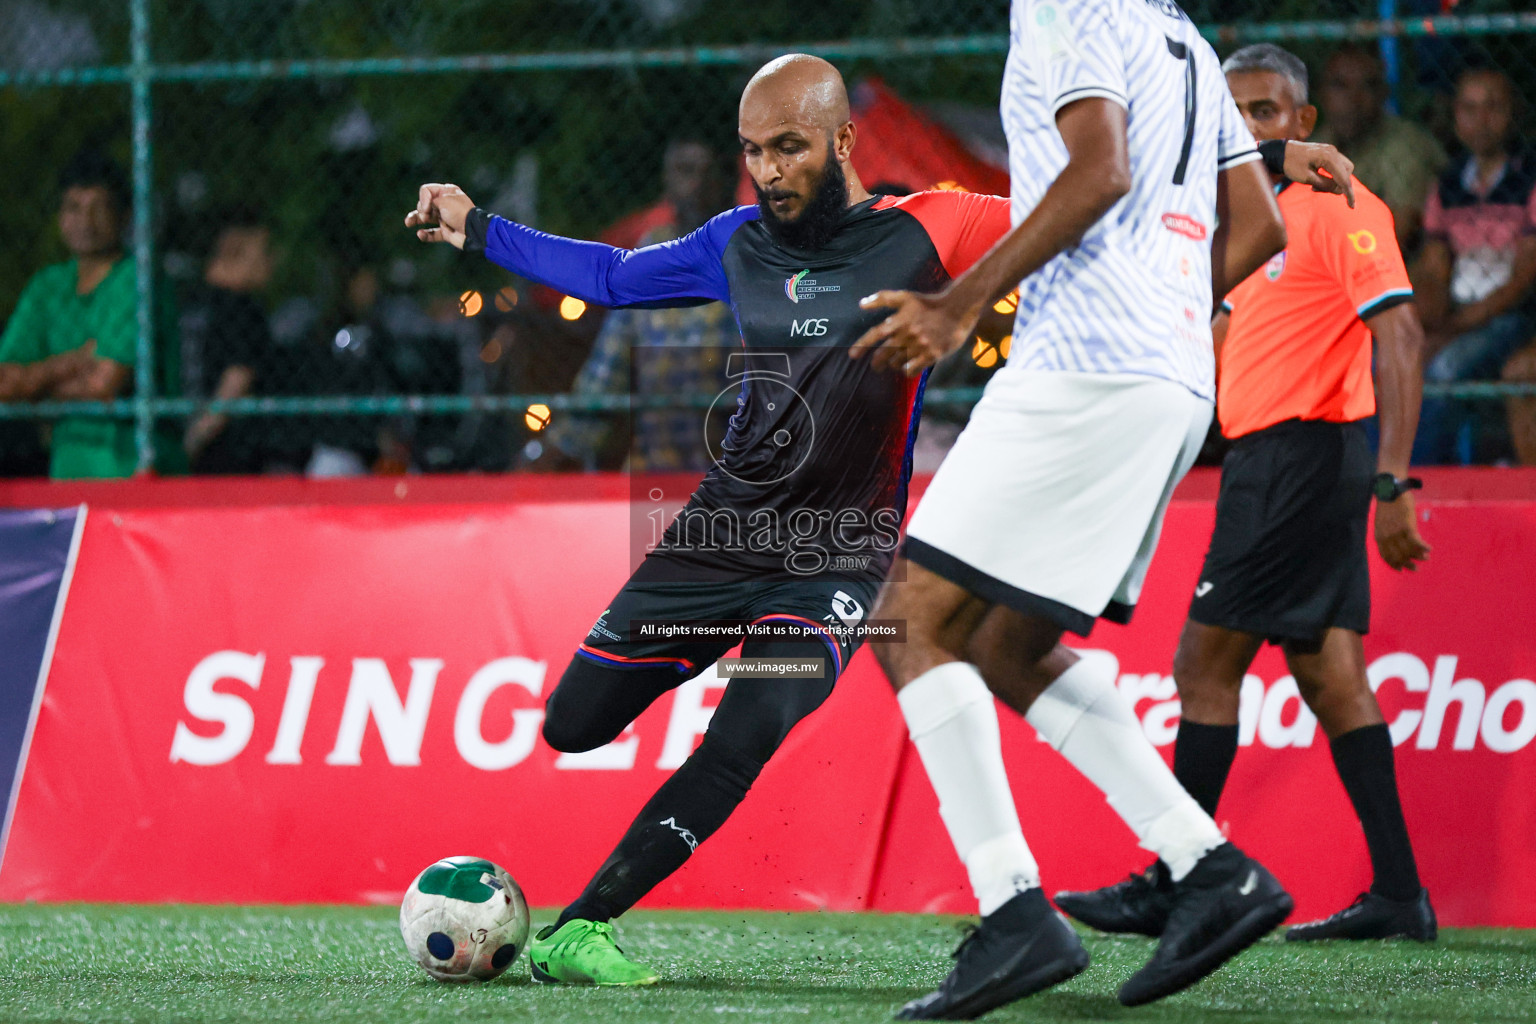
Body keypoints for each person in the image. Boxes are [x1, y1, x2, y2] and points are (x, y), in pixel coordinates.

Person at [407, 54, 1019, 988]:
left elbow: (1080, 214)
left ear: (843, 141)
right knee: (572, 723)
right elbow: (610, 275)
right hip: (715, 544)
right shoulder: (736, 241)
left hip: (833, 564)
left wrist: (1250, 168)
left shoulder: (935, 225)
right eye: (753, 152)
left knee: (748, 728)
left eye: (788, 148)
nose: (768, 171)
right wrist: (478, 227)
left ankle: (584, 929)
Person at [849, 2, 1355, 1017]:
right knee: (1006, 644)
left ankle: (1013, 914)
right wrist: (1165, 304)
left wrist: (959, 306)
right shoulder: (1185, 38)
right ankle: (1210, 870)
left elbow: (1099, 169)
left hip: (1083, 367)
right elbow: (1253, 223)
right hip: (1171, 374)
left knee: (909, 616)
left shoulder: (1063, 5)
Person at [1054, 43, 1436, 949]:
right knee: (1331, 675)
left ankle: (1182, 879)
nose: (1252, 128)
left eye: (1268, 112)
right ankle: (1399, 893)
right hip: (1271, 457)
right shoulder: (1241, 218)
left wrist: (1394, 481)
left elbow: (1405, 334)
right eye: (1237, 113)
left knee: (1203, 666)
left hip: (1306, 457)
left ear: (1303, 124)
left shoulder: (1339, 203)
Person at [537, 139, 739, 472]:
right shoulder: (651, 250)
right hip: (659, 464)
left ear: (728, 181)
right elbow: (606, 369)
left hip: (737, 466)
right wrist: (555, 449)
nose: (697, 185)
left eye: (708, 173)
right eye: (685, 172)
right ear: (667, 182)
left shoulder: (753, 250)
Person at [0, 149, 182, 478]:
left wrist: (33, 390)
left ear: (124, 216)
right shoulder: (46, 285)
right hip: (67, 469)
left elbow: (104, 384)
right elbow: (4, 383)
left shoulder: (138, 278)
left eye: (100, 208)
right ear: (59, 216)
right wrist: (68, 363)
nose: (85, 222)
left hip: (135, 467)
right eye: (74, 208)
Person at [1413, 69, 1536, 464]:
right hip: (1457, 314)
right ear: (1455, 116)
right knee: (1384, 361)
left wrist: (1452, 328)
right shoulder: (1448, 186)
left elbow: (1524, 280)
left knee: (1445, 369)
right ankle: (1386, 476)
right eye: (1469, 108)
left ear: (1514, 113)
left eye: (1493, 107)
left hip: (1514, 316)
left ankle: (1421, 485)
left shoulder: (1529, 179)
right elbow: (1433, 269)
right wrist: (1426, 324)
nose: (1481, 120)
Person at [1311, 44, 1448, 254]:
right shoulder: (1316, 144)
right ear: (1321, 94)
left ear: (1383, 94)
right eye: (1340, 86)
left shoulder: (1405, 143)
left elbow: (1398, 230)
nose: (1353, 100)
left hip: (1392, 263)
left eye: (1366, 86)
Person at [179, 212, 272, 473]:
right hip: (229, 456)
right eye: (263, 251)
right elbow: (235, 382)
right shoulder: (244, 308)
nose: (270, 261)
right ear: (233, 248)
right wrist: (193, 441)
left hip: (181, 435)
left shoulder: (185, 299)